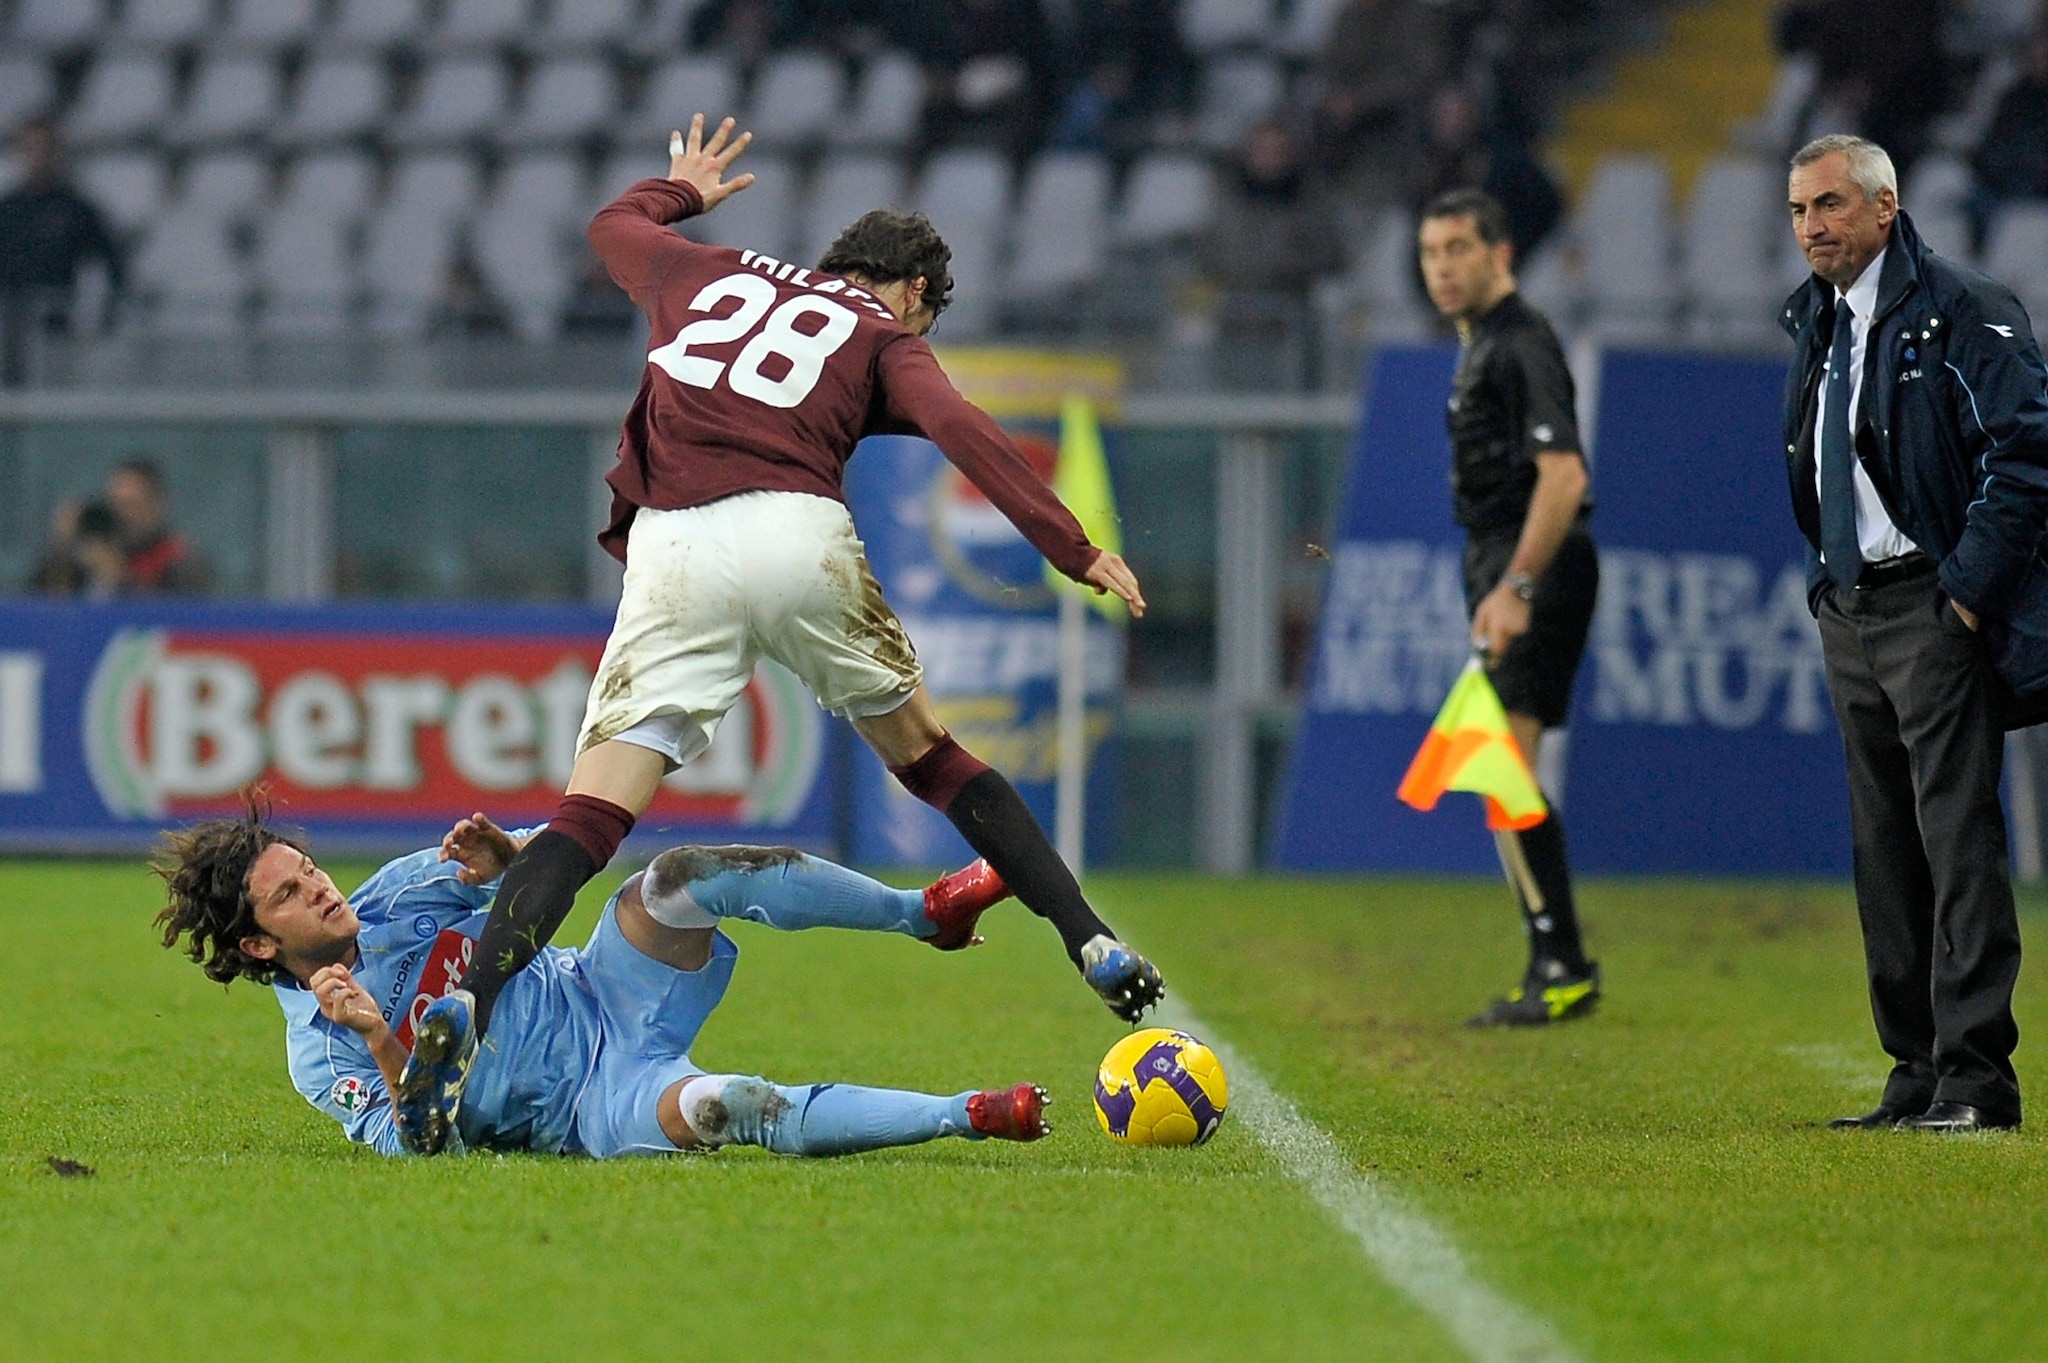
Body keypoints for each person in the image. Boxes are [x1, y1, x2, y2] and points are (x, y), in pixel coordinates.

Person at [394, 115, 1161, 1155]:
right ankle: (1091, 942)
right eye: (925, 319)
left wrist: (682, 191)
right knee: (935, 762)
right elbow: (962, 429)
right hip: (793, 530)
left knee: (588, 815)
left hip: (672, 544)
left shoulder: (694, 270)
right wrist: (1071, 546)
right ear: (911, 293)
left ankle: (471, 1006)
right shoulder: (885, 336)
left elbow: (610, 223)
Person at [153, 799, 1049, 1158]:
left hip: (602, 986)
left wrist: (511, 858)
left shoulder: (395, 893)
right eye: (289, 892)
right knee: (727, 1106)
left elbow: (557, 860)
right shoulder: (319, 1058)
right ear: (261, 946)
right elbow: (426, 1148)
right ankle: (969, 1112)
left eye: (306, 864)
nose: (318, 882)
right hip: (591, 1105)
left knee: (676, 877)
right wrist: (381, 1041)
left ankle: (923, 913)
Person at [1780, 133, 2048, 1134]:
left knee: (1953, 839)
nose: (1811, 226)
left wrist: (1965, 596)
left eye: (1830, 206)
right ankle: (1913, 1069)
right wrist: (1825, 580)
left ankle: (1977, 1078)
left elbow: (2027, 453)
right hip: (1852, 610)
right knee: (1884, 847)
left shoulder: (1963, 311)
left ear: (1884, 208)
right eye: (1799, 210)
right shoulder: (1814, 320)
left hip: (1931, 607)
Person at [1416, 188, 1601, 1027]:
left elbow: (1564, 478)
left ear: (1501, 254)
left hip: (1532, 562)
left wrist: (1517, 585)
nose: (1442, 267)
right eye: (1430, 252)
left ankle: (1561, 963)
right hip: (1503, 560)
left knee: (1502, 767)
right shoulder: (1483, 342)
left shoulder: (1521, 341)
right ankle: (1554, 957)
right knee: (1501, 768)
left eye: (1458, 248)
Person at [0, 116, 124, 385]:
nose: (37, 156)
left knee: (54, 401)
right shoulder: (7, 209)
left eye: (44, 147)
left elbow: (114, 266)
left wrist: (102, 321)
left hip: (57, 331)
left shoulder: (76, 208)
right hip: (10, 329)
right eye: (30, 148)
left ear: (56, 152)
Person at [104, 458, 211, 595]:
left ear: (157, 504)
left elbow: (172, 610)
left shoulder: (182, 560)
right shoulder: (104, 550)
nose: (123, 514)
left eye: (133, 505)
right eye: (116, 504)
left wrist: (118, 577)